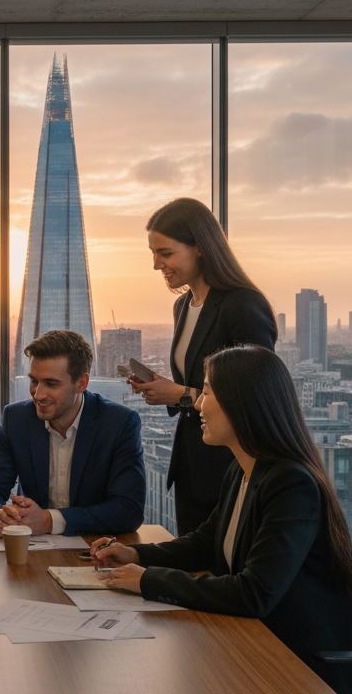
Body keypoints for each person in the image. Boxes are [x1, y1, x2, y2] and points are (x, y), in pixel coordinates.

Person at [92, 344, 352, 694]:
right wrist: (137, 555)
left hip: (301, 665)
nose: (196, 404)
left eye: (207, 392)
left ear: (243, 404)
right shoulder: (243, 470)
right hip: (258, 640)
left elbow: (254, 592)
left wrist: (148, 579)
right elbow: (207, 543)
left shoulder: (291, 484)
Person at [132, 197, 276, 535]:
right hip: (192, 467)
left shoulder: (242, 305)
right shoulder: (183, 305)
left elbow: (256, 397)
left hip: (232, 468)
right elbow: (199, 382)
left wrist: (180, 394)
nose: (156, 265)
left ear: (199, 247)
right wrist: (163, 389)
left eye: (165, 254)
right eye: (153, 254)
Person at [0, 329, 146, 536]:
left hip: (95, 551)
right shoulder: (16, 419)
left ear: (81, 383)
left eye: (51, 384)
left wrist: (49, 521)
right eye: (34, 381)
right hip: (31, 552)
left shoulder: (119, 423)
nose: (38, 394)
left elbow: (128, 510)